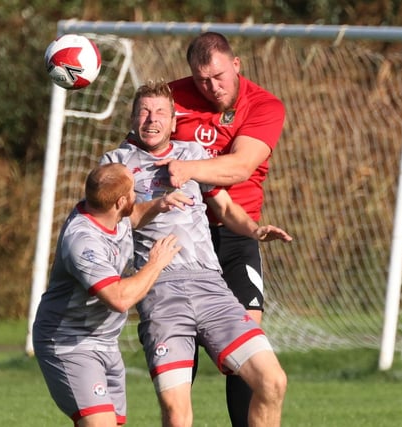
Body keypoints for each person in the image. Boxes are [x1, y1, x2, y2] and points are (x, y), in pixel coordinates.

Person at [100, 80, 291, 427]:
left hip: (210, 287)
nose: (151, 119)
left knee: (272, 380)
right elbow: (111, 223)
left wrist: (254, 230)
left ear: (174, 122)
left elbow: (226, 207)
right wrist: (157, 205)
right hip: (161, 292)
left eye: (160, 112)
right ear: (131, 118)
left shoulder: (192, 155)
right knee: (177, 414)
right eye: (143, 111)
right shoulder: (117, 164)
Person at [156, 31, 287, 426]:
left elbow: (240, 167)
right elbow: (142, 150)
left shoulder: (264, 105)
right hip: (181, 237)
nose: (211, 88)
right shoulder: (170, 99)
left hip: (234, 235)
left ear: (236, 65)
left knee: (249, 345)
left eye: (218, 77)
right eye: (201, 81)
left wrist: (187, 168)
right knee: (180, 350)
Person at [32, 162, 194, 427]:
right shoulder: (83, 242)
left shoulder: (108, 213)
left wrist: (159, 204)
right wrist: (156, 263)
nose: (137, 194)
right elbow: (120, 299)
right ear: (120, 201)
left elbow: (131, 216)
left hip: (105, 342)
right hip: (68, 344)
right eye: (133, 191)